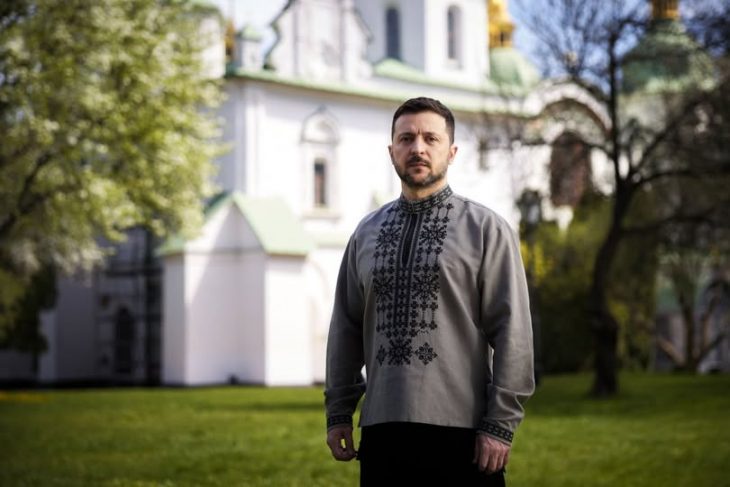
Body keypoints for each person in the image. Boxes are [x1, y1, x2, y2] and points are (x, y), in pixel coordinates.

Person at [324, 97, 535, 486]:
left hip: (465, 436)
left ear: (451, 152)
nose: (417, 148)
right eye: (406, 138)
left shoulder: (486, 230)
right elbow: (345, 327)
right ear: (392, 151)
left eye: (430, 138)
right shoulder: (365, 234)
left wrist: (500, 424)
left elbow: (513, 331)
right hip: (382, 433)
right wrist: (339, 411)